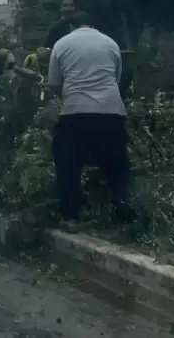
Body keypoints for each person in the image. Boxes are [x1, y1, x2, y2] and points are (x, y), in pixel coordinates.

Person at [48, 12, 133, 232]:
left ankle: (71, 216)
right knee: (116, 162)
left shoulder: (61, 44)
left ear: (71, 27)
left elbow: (54, 83)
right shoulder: (111, 43)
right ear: (92, 25)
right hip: (112, 111)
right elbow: (116, 79)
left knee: (68, 162)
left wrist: (69, 97)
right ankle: (123, 210)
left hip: (76, 111)